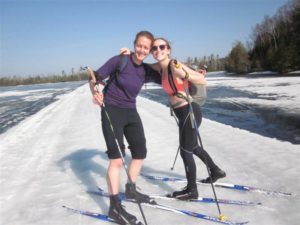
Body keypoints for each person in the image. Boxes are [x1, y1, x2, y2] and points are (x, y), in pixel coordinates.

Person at [87, 31, 161, 225]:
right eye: (140, 45)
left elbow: (165, 74)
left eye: (146, 47)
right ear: (134, 44)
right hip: (112, 110)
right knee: (117, 160)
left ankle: (131, 188)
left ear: (149, 50)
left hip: (131, 112)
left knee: (140, 152)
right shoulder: (120, 60)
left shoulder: (145, 70)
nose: (142, 50)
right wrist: (94, 92)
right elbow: (93, 76)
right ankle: (114, 207)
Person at [150, 38, 226, 200]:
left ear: (168, 49)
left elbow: (201, 79)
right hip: (181, 113)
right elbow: (141, 65)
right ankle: (216, 170)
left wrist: (183, 73)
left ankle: (192, 190)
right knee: (193, 147)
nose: (158, 50)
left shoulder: (173, 64)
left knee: (186, 151)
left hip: (189, 110)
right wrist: (129, 56)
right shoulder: (160, 67)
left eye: (162, 47)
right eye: (154, 48)